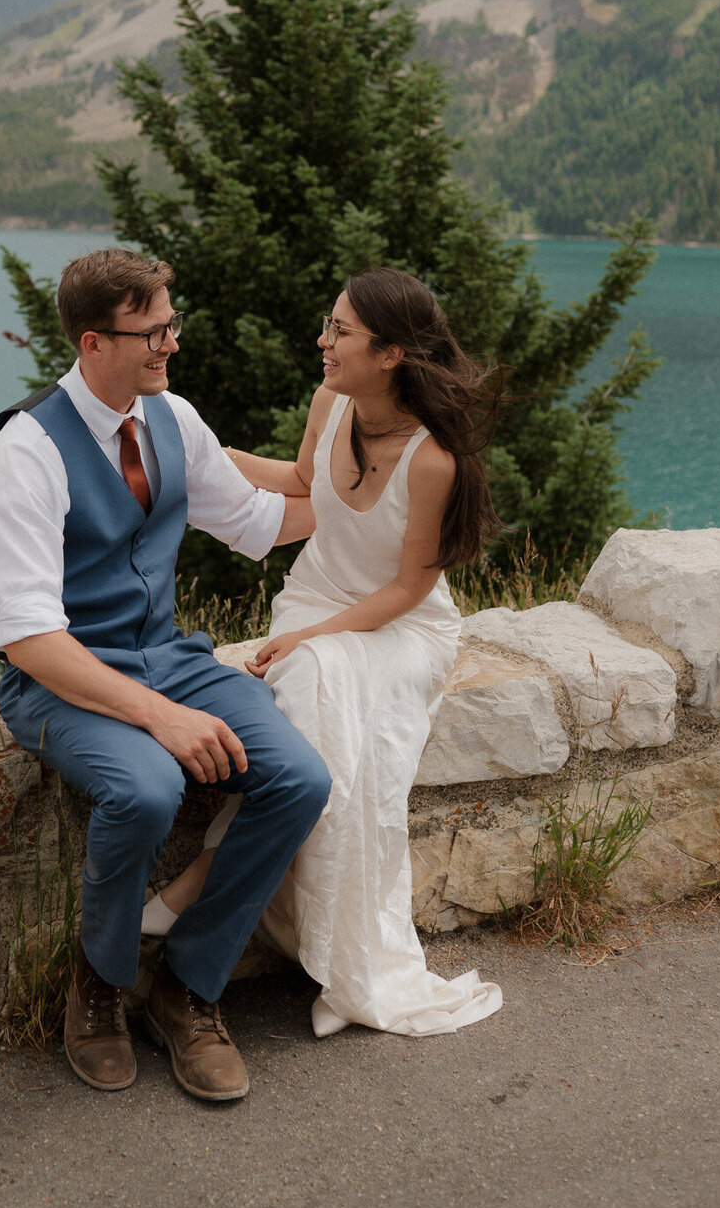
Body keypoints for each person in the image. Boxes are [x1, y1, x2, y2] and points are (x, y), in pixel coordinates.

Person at [0, 248, 331, 1102]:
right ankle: (96, 987)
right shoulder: (24, 452)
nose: (170, 343)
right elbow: (28, 638)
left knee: (300, 777)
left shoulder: (171, 417)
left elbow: (253, 519)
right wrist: (158, 719)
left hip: (168, 657)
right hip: (61, 681)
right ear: (93, 342)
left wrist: (382, 500)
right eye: (152, 331)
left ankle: (185, 987)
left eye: (172, 322)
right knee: (144, 788)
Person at [146, 267, 504, 1039]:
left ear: (391, 353)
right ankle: (230, 891)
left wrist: (309, 637)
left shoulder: (435, 457)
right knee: (309, 687)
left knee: (307, 677)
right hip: (318, 599)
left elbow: (411, 588)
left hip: (400, 628)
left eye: (340, 330)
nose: (323, 339)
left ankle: (205, 876)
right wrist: (202, 449)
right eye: (329, 322)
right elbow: (304, 482)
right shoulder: (331, 402)